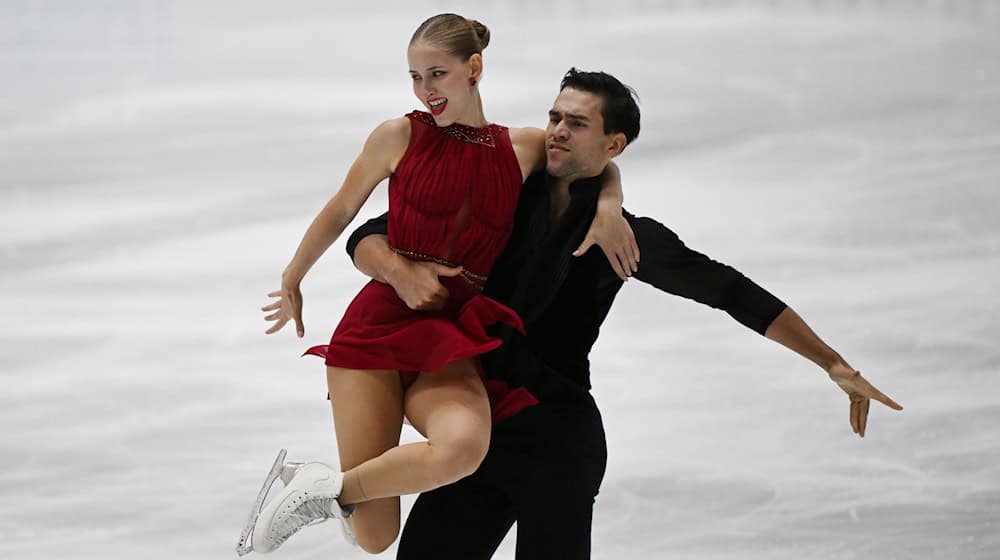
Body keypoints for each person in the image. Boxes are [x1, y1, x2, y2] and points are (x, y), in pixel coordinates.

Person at [345, 68, 903, 559]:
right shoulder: (503, 192)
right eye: (555, 116)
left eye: (578, 123)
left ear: (615, 145)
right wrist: (398, 271)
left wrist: (832, 363)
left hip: (558, 444)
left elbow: (730, 291)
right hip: (477, 428)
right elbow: (372, 234)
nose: (558, 130)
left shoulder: (624, 239)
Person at [235, 14, 639, 557]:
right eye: (415, 77)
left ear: (474, 68)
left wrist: (610, 204)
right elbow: (340, 209)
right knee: (377, 537)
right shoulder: (398, 135)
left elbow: (593, 160)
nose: (427, 90)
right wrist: (292, 276)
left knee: (463, 449)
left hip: (451, 331)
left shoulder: (521, 148)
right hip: (378, 326)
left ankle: (314, 487)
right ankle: (316, 488)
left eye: (438, 74)